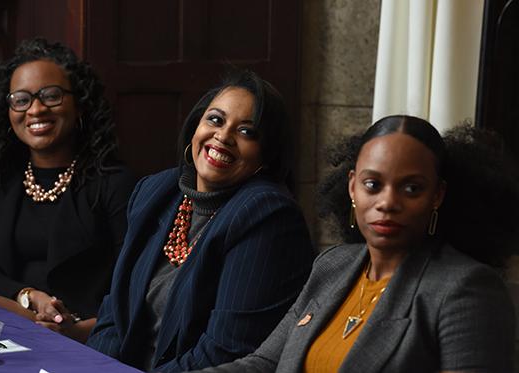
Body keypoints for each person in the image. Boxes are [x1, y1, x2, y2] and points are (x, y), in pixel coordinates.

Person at [189, 115, 519, 373]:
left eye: (411, 189)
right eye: (373, 184)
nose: (387, 202)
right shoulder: (333, 265)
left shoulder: (467, 289)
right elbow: (264, 364)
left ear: (437, 195)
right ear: (352, 188)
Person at [86, 70, 315, 371]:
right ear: (196, 125)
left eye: (247, 132)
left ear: (266, 156)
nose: (223, 136)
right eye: (216, 120)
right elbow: (114, 316)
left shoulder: (267, 215)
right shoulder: (156, 191)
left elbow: (225, 351)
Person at [0, 38, 136, 342]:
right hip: (6, 332)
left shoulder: (115, 184)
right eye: (21, 99)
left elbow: (134, 283)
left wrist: (76, 330)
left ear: (79, 104)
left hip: (93, 336)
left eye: (51, 96)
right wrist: (30, 297)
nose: (36, 109)